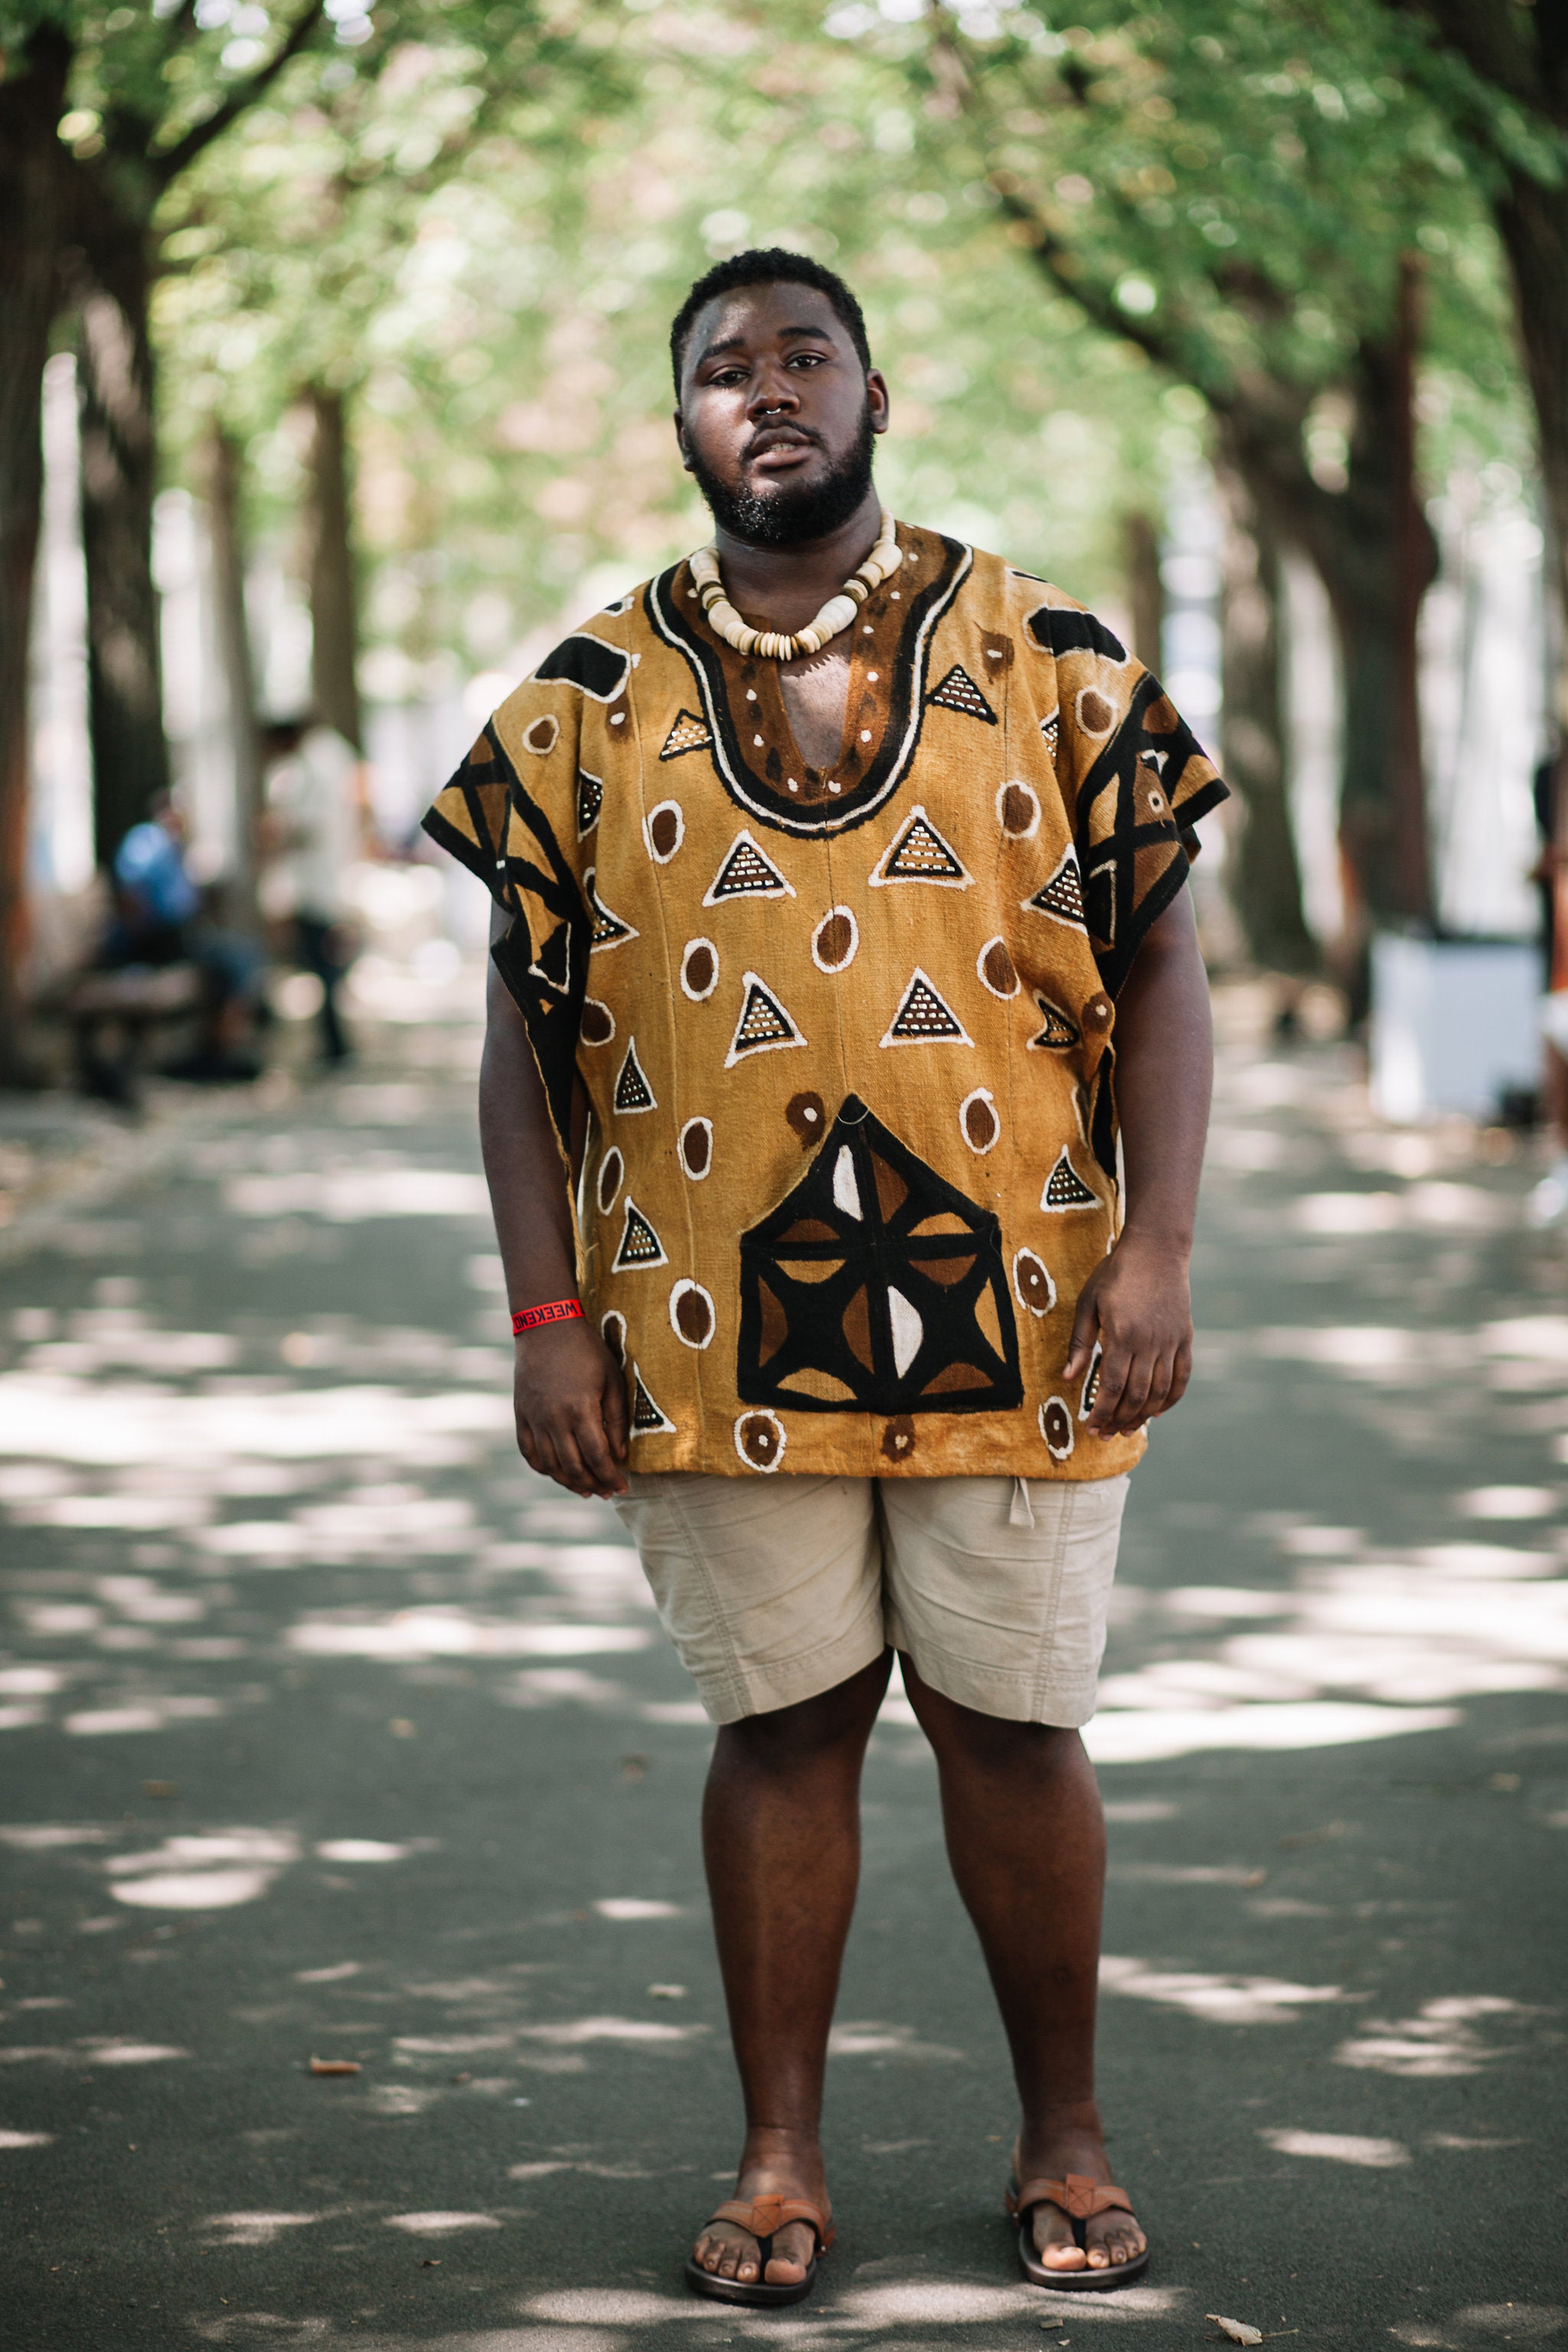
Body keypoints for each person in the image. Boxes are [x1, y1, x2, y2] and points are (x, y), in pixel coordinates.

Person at [423, 250, 1224, 2308]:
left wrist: (1160, 1251)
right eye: (721, 370)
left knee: (1013, 1726)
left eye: (803, 360)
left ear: (881, 392)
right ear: (680, 420)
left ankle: (1067, 2129)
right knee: (783, 1727)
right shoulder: (584, 697)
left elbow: (1159, 963)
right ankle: (781, 2154)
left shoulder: (1049, 651)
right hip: (695, 1326)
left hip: (1029, 1309)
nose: (765, 393)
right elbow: (524, 1039)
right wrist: (544, 1318)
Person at [96, 791, 263, 1086]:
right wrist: (144, 934)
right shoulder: (147, 841)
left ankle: (219, 1051)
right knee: (234, 960)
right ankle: (218, 1053)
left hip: (179, 935)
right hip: (158, 939)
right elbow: (130, 894)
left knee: (240, 957)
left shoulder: (176, 849)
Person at [261, 716, 364, 1065]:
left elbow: (310, 829)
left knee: (323, 968)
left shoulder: (312, 771)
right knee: (325, 969)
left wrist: (279, 837)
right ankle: (334, 1041)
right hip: (323, 884)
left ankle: (334, 1043)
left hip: (316, 888)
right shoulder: (327, 761)